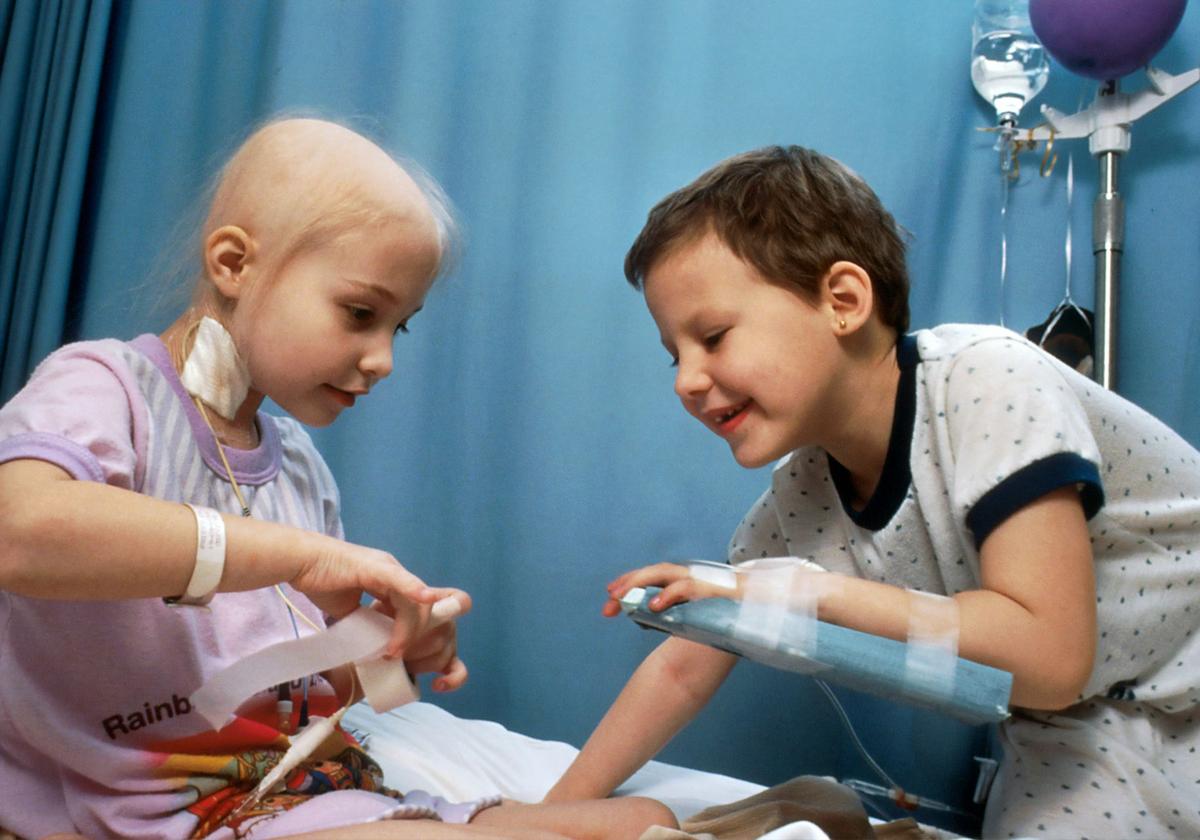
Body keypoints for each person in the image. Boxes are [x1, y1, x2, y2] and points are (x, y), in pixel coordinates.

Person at [0, 118, 675, 840]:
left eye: (398, 327)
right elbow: (21, 534)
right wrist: (305, 556)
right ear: (233, 264)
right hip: (174, 813)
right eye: (360, 313)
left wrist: (392, 654)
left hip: (308, 790)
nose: (383, 357)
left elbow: (313, 699)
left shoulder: (296, 465)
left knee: (643, 820)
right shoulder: (105, 389)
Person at [544, 145, 1200, 838]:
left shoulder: (989, 379)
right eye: (675, 356)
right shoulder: (800, 500)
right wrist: (551, 815)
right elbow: (685, 665)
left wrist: (808, 592)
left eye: (712, 337)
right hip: (1080, 725)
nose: (685, 379)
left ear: (844, 301)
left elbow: (1050, 657)